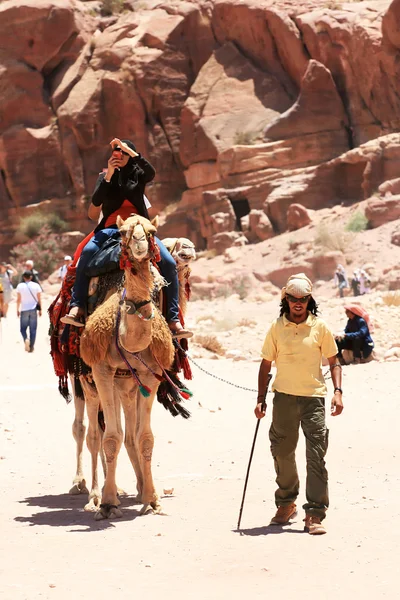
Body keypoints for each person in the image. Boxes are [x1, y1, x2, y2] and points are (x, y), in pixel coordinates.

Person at [61, 138, 192, 339]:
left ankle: (173, 320)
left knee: (166, 261)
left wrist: (133, 155)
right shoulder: (105, 177)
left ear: (130, 154)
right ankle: (77, 307)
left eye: (123, 151)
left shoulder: (138, 174)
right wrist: (109, 176)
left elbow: (151, 173)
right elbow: (96, 203)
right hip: (112, 228)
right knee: (86, 253)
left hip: (140, 227)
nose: (118, 154)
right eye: (115, 150)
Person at [255, 273, 343, 535]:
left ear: (309, 300)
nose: (298, 303)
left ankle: (315, 513)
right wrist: (261, 399)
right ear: (286, 299)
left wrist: (337, 392)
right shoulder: (276, 327)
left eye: (303, 299)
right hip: (283, 398)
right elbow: (265, 364)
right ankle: (286, 503)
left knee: (316, 456)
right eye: (293, 299)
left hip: (313, 399)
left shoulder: (320, 327)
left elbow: (333, 360)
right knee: (282, 454)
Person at [16, 271, 42, 352]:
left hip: (24, 309)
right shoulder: (36, 285)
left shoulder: (20, 286)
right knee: (33, 329)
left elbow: (18, 299)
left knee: (23, 329)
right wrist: (40, 309)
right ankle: (31, 347)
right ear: (31, 277)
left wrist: (17, 309)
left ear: (23, 277)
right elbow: (39, 299)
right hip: (33, 310)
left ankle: (26, 339)